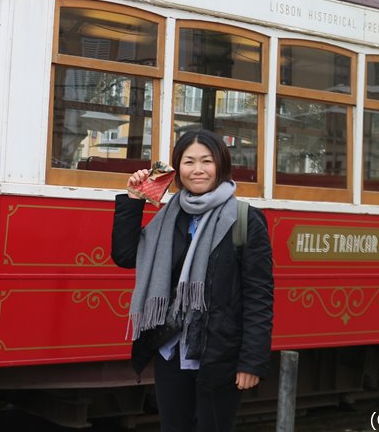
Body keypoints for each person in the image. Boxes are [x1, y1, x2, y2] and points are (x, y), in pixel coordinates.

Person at [111, 128, 273, 432]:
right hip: (171, 348)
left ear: (221, 165)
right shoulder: (171, 215)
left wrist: (251, 362)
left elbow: (258, 295)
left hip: (219, 353)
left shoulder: (245, 219)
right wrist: (134, 199)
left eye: (206, 161)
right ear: (177, 169)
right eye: (188, 162)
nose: (197, 170)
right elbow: (125, 255)